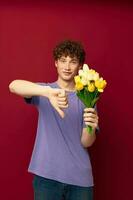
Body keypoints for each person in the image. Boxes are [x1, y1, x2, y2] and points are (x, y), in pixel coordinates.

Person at [9, 40, 99, 200]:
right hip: (47, 178)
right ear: (56, 63)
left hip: (80, 180)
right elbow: (13, 86)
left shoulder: (87, 97)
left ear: (80, 66)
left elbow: (86, 142)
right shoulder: (44, 92)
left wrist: (91, 126)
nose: (67, 66)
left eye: (73, 61)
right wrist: (48, 92)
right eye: (63, 60)